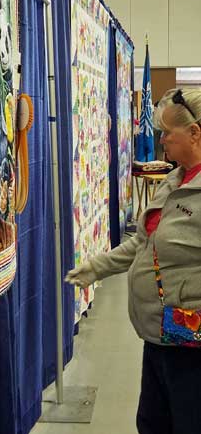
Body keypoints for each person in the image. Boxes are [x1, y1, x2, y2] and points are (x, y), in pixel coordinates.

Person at [65, 88, 201, 434]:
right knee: (153, 423)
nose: (162, 140)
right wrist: (96, 268)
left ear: (195, 133)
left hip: (191, 344)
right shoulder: (174, 180)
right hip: (158, 336)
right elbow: (143, 243)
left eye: (168, 132)